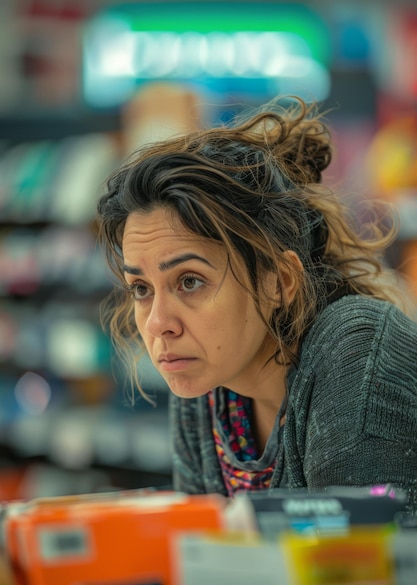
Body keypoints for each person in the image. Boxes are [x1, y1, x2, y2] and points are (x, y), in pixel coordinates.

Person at [96, 96, 417, 513]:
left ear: (280, 281)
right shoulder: (205, 382)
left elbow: (356, 571)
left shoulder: (356, 349)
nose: (159, 324)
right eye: (141, 288)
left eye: (189, 281)